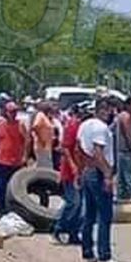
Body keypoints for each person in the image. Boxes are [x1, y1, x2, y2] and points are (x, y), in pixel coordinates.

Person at [78, 100, 124, 262]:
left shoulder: (85, 125)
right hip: (98, 172)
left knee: (89, 215)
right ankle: (104, 256)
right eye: (107, 109)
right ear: (101, 110)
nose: (109, 113)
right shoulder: (100, 128)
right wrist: (107, 175)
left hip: (88, 170)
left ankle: (88, 253)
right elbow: (98, 152)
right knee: (105, 215)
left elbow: (80, 147)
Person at [52, 103, 87, 246]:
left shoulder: (83, 126)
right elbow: (66, 148)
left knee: (80, 206)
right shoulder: (72, 125)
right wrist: (73, 167)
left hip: (81, 169)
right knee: (73, 202)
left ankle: (73, 233)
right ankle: (58, 228)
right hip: (70, 170)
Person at [0, 102, 28, 218]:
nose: (13, 114)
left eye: (15, 111)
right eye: (11, 112)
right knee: (1, 186)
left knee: (15, 186)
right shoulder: (0, 124)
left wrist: (25, 156)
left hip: (16, 161)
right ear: (6, 112)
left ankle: (14, 208)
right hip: (2, 159)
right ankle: (0, 208)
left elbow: (27, 141)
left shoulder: (20, 125)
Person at [113, 97, 131, 200]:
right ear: (127, 106)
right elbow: (128, 135)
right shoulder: (126, 117)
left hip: (121, 153)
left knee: (122, 183)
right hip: (127, 153)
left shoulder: (122, 116)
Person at [31, 101, 55, 169]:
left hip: (47, 146)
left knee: (44, 165)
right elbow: (35, 126)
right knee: (44, 166)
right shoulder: (40, 115)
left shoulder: (47, 117)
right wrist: (41, 139)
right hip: (41, 146)